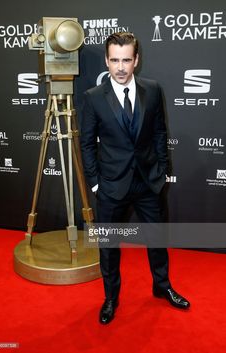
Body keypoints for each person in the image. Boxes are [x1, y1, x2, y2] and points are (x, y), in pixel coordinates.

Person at [80, 32, 190, 325]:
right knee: (109, 246)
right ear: (106, 60)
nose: (119, 67)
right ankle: (111, 298)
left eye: (126, 60)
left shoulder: (152, 90)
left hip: (147, 182)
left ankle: (162, 286)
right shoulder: (93, 97)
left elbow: (159, 134)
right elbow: (87, 144)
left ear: (136, 60)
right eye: (114, 60)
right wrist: (95, 182)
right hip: (111, 185)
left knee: (156, 239)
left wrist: (161, 172)